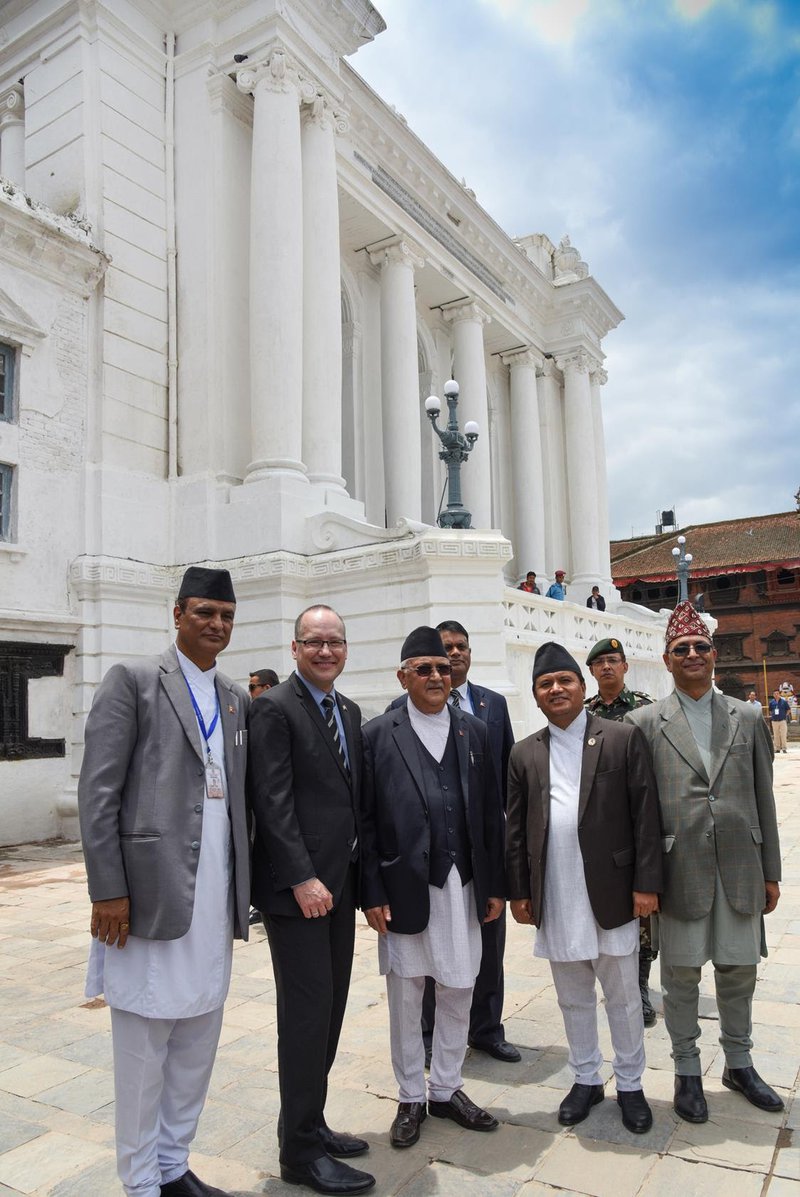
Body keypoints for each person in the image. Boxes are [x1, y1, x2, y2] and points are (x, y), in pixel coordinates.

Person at [79, 566, 251, 1197]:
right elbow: (99, 793)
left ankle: (175, 1164)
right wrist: (107, 889)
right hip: (148, 892)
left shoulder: (234, 696)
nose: (217, 625)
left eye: (227, 616)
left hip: (214, 894)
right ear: (177, 613)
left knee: (199, 1033)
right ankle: (139, 1179)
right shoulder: (134, 681)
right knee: (144, 1045)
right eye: (205, 612)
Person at [627, 601, 783, 1123]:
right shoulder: (644, 723)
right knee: (682, 975)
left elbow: (765, 795)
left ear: (714, 656)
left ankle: (738, 1062)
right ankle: (687, 1070)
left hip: (741, 865)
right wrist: (643, 880)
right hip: (679, 870)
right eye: (681, 649)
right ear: (666, 660)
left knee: (739, 970)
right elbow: (639, 811)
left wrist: (772, 871)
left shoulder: (748, 715)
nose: (692, 654)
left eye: (699, 647)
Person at [506, 641, 662, 1135]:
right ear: (535, 696)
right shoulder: (524, 752)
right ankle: (586, 1078)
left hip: (613, 891)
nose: (556, 689)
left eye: (565, 680)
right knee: (572, 996)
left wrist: (646, 885)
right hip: (555, 892)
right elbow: (513, 829)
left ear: (582, 685)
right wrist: (519, 892)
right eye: (545, 684)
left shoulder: (620, 737)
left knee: (622, 996)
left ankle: (632, 1084)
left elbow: (646, 816)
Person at [361, 627, 505, 1149]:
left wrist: (494, 885)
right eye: (424, 669)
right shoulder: (379, 734)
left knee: (460, 986)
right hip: (403, 886)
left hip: (463, 883)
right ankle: (409, 1096)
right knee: (407, 991)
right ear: (403, 675)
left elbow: (490, 814)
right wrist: (371, 891)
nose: (437, 676)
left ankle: (446, 1087)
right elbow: (367, 822)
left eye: (444, 668)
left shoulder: (473, 731)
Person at [248, 606, 374, 1196]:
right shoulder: (274, 708)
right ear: (295, 648)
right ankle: (298, 1153)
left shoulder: (347, 711)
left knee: (330, 1010)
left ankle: (311, 1121)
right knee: (304, 1018)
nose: (326, 651)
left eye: (335, 642)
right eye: (314, 642)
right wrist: (300, 877)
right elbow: (271, 801)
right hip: (298, 893)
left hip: (338, 889)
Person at [420, 620, 518, 1063]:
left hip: (485, 845)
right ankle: (428, 1032)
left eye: (461, 646)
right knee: (430, 941)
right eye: (445, 649)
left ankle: (486, 1028)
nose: (454, 655)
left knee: (489, 937)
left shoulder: (492, 705)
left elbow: (507, 777)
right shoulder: (404, 712)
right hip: (434, 849)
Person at [584, 637, 657, 1027]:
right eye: (600, 663)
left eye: (614, 660)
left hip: (635, 822)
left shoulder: (645, 709)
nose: (607, 667)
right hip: (597, 828)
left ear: (625, 667)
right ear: (591, 672)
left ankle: (641, 988)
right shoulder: (583, 714)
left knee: (643, 912)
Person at [768, 688, 790, 753]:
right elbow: (770, 710)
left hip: (782, 721)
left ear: (779, 694)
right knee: (776, 735)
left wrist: (785, 715)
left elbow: (788, 710)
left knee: (783, 734)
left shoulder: (784, 702)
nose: (776, 695)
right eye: (775, 694)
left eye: (777, 693)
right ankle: (777, 748)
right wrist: (773, 715)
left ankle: (784, 748)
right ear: (773, 695)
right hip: (774, 721)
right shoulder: (771, 702)